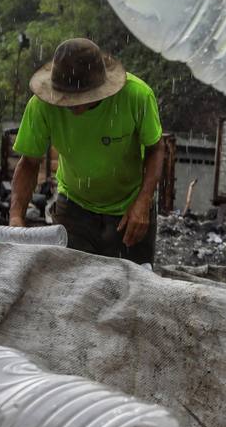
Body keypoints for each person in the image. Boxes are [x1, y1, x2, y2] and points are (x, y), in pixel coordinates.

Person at [9, 38, 164, 264]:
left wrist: (143, 201)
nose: (72, 106)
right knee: (67, 281)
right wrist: (16, 218)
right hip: (74, 207)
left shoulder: (136, 96)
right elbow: (29, 163)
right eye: (65, 98)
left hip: (128, 208)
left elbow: (156, 149)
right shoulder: (42, 105)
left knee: (133, 286)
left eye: (79, 99)